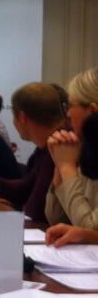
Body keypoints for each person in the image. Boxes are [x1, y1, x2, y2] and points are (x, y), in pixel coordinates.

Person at [0, 83, 65, 221]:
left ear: (22, 117)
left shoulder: (59, 144)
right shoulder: (46, 144)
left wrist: (10, 212)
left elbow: (36, 211)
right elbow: (29, 185)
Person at [45, 67, 98, 228]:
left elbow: (89, 228)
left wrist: (67, 167)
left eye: (70, 106)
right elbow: (56, 218)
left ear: (92, 110)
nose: (67, 114)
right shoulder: (87, 147)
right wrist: (59, 168)